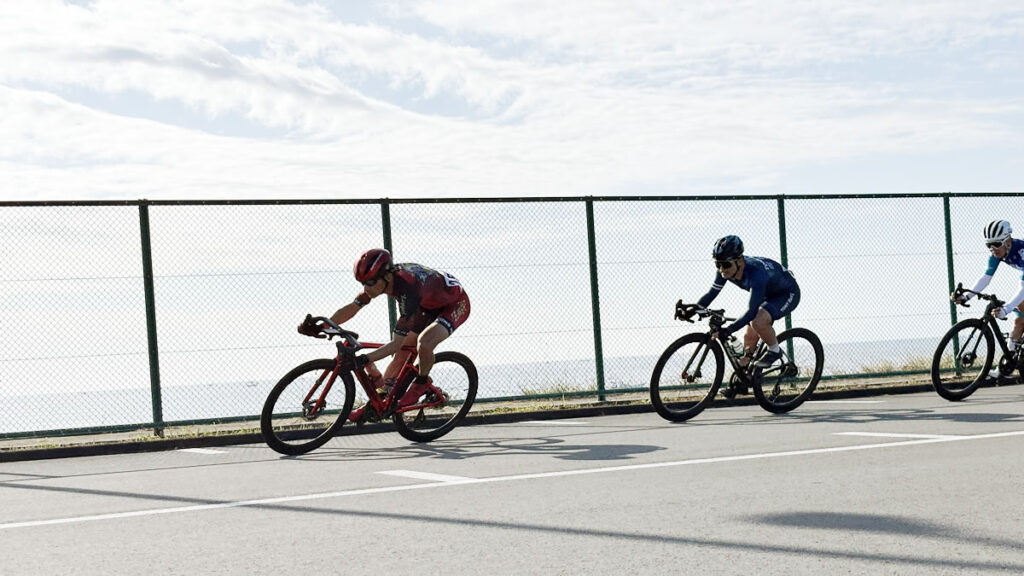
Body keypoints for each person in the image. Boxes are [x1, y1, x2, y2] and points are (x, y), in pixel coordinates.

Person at [298, 248, 471, 423]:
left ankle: (422, 382)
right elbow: (354, 307)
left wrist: (364, 359)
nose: (367, 288)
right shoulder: (384, 279)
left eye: (371, 282)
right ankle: (380, 403)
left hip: (454, 304)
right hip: (424, 306)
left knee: (424, 343)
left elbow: (395, 344)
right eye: (363, 282)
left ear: (386, 277)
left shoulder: (408, 290)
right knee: (401, 357)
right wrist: (323, 325)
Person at [687, 235, 800, 369]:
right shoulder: (725, 270)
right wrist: (692, 311)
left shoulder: (756, 273)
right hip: (766, 294)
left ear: (739, 261)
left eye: (725, 264)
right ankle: (744, 379)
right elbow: (711, 294)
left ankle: (775, 350)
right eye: (718, 264)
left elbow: (751, 312)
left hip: (787, 293)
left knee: (757, 321)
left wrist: (728, 330)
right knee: (749, 338)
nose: (722, 268)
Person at [952, 220, 1024, 379]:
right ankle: (1006, 368)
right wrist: (966, 296)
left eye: (996, 244)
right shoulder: (998, 253)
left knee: (1017, 305)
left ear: (1008, 240)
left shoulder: (1022, 252)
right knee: (1019, 321)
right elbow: (986, 277)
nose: (993, 249)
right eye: (989, 245)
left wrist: (1007, 308)